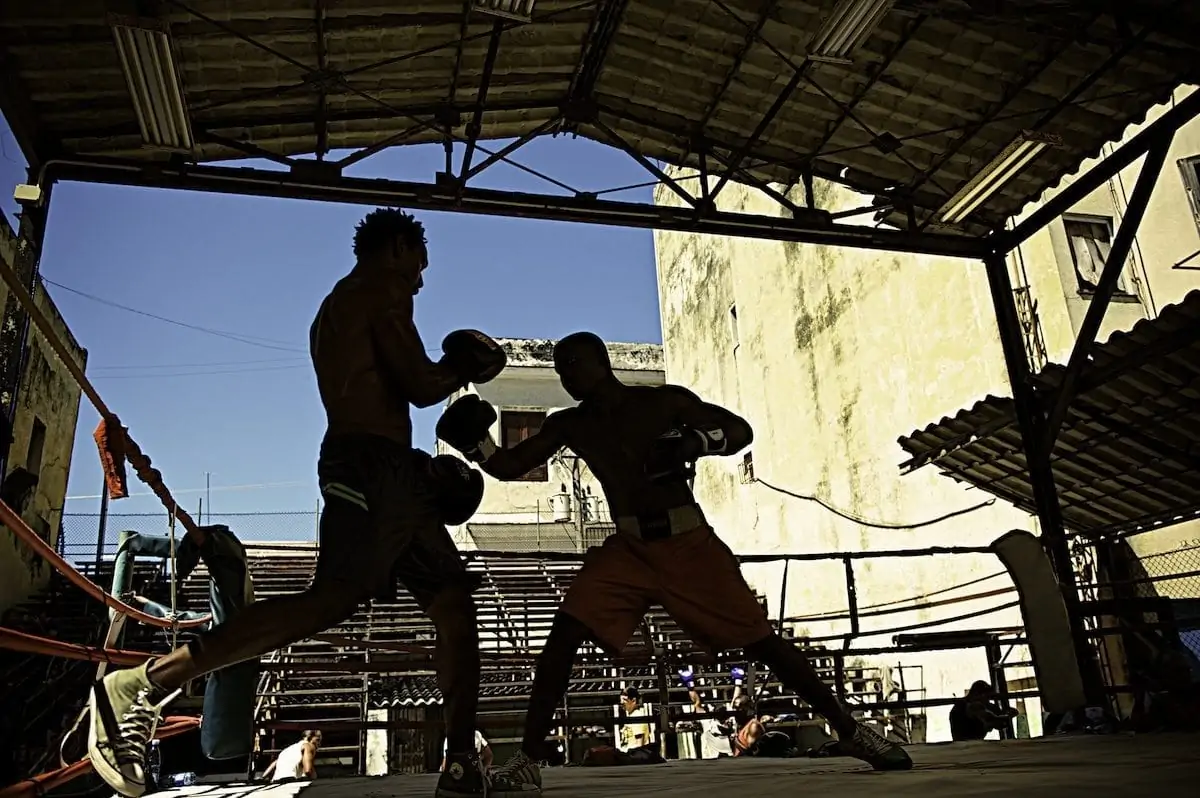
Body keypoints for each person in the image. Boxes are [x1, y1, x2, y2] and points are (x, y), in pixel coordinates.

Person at [86, 209, 507, 798]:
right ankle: (143, 682)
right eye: (418, 265)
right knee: (327, 603)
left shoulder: (336, 307)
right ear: (394, 251)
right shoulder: (378, 293)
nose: (420, 281)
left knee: (455, 604)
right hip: (367, 468)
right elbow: (420, 385)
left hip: (388, 474)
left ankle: (461, 762)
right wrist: (465, 366)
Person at [437, 332, 913, 794]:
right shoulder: (570, 424)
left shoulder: (662, 403)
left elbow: (740, 431)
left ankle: (850, 729)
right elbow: (506, 466)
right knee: (562, 637)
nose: (566, 378)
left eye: (572, 365)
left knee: (763, 641)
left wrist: (696, 443)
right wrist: (476, 443)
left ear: (600, 362)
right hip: (627, 548)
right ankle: (526, 762)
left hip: (688, 542)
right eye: (560, 370)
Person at [949, 681, 1018, 741]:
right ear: (980, 695)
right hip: (969, 745)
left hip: (967, 745)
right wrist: (1008, 716)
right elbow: (995, 722)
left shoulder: (964, 704)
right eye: (987, 697)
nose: (988, 701)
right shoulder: (971, 706)